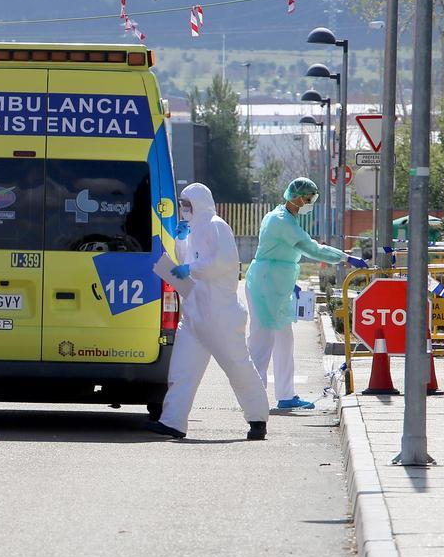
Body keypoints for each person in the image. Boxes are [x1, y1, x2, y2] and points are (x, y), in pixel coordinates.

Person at [147, 183, 271, 440]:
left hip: (220, 316)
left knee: (238, 368)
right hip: (195, 314)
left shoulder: (217, 225)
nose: (183, 209)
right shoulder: (192, 231)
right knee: (182, 371)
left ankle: (258, 418)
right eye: (182, 204)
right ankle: (173, 422)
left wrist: (191, 269)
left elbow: (223, 262)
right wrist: (180, 241)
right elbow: (185, 261)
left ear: (199, 203)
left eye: (187, 204)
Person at [245, 177, 368, 410]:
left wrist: (288, 283)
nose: (310, 202)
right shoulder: (282, 221)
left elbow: (279, 252)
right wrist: (344, 257)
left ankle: (285, 395)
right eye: (309, 198)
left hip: (274, 285)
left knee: (284, 341)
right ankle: (253, 399)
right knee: (262, 343)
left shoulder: (283, 216)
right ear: (297, 197)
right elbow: (311, 248)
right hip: (266, 286)